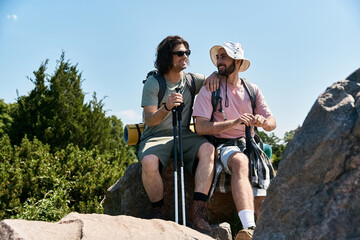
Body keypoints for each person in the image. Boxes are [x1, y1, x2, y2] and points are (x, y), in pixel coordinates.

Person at [192, 42, 277, 240]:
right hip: (223, 145)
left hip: (250, 143)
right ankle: (249, 228)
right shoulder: (209, 88)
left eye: (224, 57)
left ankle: (262, 233)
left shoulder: (252, 89)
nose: (219, 61)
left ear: (237, 62)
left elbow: (272, 122)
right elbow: (201, 127)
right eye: (218, 57)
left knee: (262, 193)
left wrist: (263, 122)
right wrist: (235, 122)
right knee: (240, 161)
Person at [138, 35, 215, 235]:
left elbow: (211, 80)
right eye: (180, 53)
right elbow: (149, 119)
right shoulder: (154, 83)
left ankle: (198, 211)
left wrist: (215, 76)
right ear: (167, 57)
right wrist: (166, 107)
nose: (185, 57)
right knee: (148, 162)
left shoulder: (192, 80)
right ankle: (159, 211)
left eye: (187, 53)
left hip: (183, 134)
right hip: (156, 135)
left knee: (208, 149)